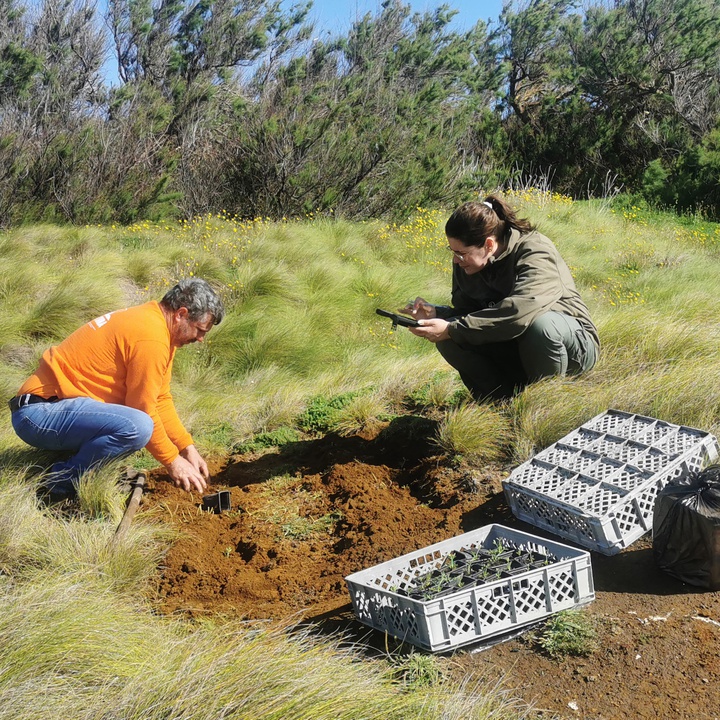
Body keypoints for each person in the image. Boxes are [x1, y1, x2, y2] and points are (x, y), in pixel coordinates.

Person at [9, 278, 225, 502]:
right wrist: (173, 461)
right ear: (181, 314)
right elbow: (144, 410)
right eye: (200, 330)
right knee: (137, 426)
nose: (200, 339)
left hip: (53, 410)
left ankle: (72, 464)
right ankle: (61, 482)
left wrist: (186, 448)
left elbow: (160, 398)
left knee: (136, 425)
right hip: (38, 413)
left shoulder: (156, 326)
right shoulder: (151, 337)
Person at [402, 195, 599, 401]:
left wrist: (452, 328)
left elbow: (519, 312)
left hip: (572, 349)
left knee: (541, 325)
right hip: (516, 345)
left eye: (461, 253)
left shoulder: (534, 249)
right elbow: (472, 315)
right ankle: (499, 406)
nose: (455, 259)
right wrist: (438, 314)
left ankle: (546, 408)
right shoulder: (468, 262)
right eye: (452, 251)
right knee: (450, 338)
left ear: (488, 244)